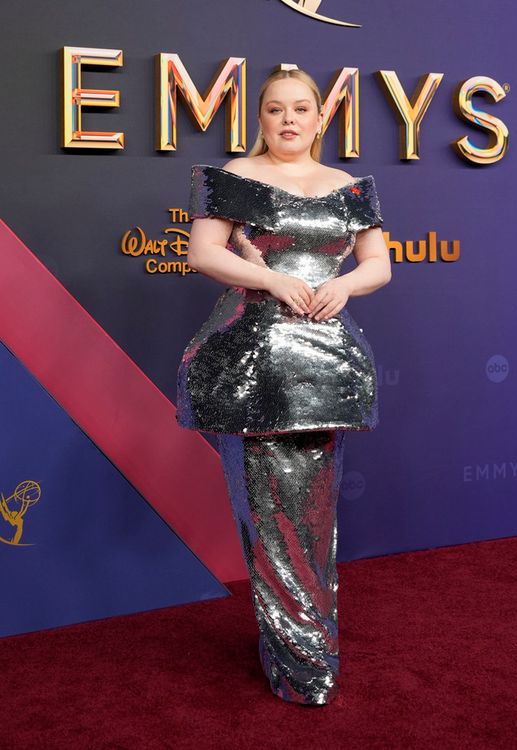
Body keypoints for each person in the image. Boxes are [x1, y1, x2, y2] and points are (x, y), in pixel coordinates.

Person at [176, 67, 392, 706]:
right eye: (276, 109)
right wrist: (269, 280)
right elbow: (203, 253)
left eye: (301, 108)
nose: (289, 119)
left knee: (315, 514)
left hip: (326, 363)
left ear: (320, 118)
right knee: (270, 518)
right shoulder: (232, 177)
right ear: (261, 117)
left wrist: (344, 284)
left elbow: (377, 262)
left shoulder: (349, 187)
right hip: (254, 362)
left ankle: (310, 649)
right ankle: (298, 661)